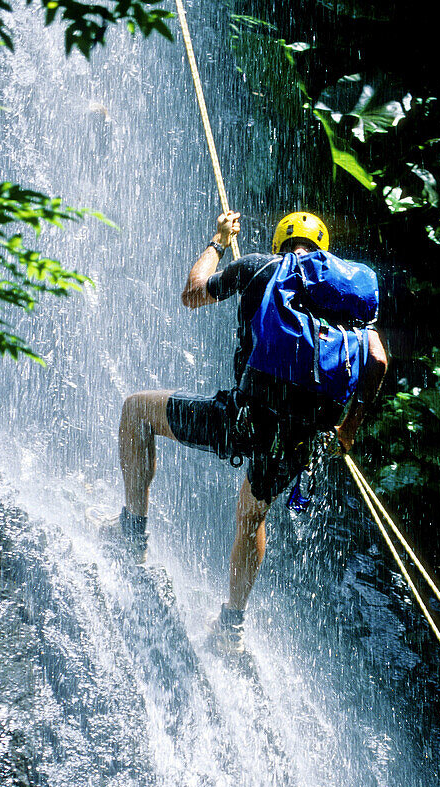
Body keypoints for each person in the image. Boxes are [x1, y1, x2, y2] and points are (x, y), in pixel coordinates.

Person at [115, 210, 388, 652]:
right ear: (324, 251)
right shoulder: (347, 303)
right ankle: (231, 625)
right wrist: (348, 428)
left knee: (135, 413)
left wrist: (219, 241)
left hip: (242, 421)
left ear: (282, 242)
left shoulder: (261, 266)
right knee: (252, 514)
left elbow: (192, 294)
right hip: (297, 440)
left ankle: (131, 535)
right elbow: (377, 361)